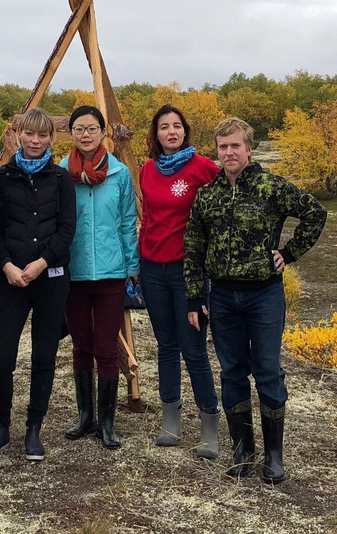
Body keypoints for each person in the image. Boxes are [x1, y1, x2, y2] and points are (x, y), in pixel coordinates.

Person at [184, 117, 326, 484]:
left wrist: (289, 253)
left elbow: (315, 213)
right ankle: (242, 450)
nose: (229, 152)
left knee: (267, 371)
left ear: (249, 148)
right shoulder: (208, 194)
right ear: (216, 151)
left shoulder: (271, 187)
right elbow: (194, 247)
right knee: (232, 372)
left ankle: (274, 456)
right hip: (222, 296)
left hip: (264, 294)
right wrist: (194, 295)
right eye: (222, 147)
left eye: (235, 146)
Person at [0, 108, 77, 461]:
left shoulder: (61, 179)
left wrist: (41, 263)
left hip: (50, 278)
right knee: (1, 357)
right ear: (18, 135)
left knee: (44, 355)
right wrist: (5, 265)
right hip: (11, 280)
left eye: (43, 135)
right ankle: (1, 427)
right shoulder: (2, 178)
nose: (35, 141)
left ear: (51, 138)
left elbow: (67, 229)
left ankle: (34, 428)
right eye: (29, 134)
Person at [138, 105, 221, 458]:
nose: (171, 132)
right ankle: (170, 419)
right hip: (152, 268)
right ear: (155, 134)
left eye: (177, 126)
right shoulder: (146, 169)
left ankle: (209, 427)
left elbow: (226, 203)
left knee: (194, 349)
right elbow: (149, 216)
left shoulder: (203, 167)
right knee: (166, 346)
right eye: (163, 127)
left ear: (185, 131)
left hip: (190, 271)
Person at [60, 105, 139, 450]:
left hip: (110, 273)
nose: (86, 134)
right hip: (73, 274)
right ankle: (84, 417)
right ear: (72, 133)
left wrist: (132, 265)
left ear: (103, 131)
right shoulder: (61, 173)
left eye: (92, 128)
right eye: (79, 129)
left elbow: (126, 223)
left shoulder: (119, 174)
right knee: (81, 346)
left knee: (106, 348)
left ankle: (107, 423)